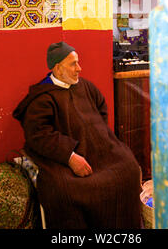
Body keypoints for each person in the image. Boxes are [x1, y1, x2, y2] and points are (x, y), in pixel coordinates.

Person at [13, 41, 142, 229]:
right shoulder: (42, 98)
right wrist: (70, 156)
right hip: (63, 158)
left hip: (98, 150)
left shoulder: (86, 87)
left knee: (129, 169)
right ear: (57, 68)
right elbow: (39, 135)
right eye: (73, 64)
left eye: (78, 62)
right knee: (65, 191)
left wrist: (99, 138)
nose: (79, 69)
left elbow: (102, 111)